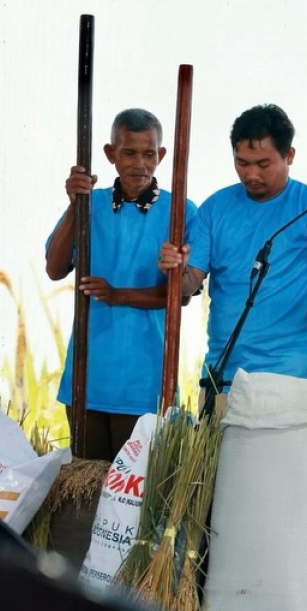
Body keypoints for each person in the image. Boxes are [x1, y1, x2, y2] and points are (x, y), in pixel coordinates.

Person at [158, 104, 307, 393]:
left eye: (263, 163)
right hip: (223, 376)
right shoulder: (214, 208)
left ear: (290, 156)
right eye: (242, 163)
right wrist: (173, 269)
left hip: (293, 376)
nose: (251, 174)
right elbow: (189, 284)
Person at [46, 108, 197, 461]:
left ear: (161, 156)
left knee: (134, 494)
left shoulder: (181, 211)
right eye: (129, 153)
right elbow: (55, 268)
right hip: (87, 376)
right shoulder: (91, 203)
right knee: (85, 488)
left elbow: (181, 293)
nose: (140, 163)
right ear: (110, 154)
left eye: (149, 154)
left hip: (146, 381)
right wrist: (74, 206)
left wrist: (118, 295)